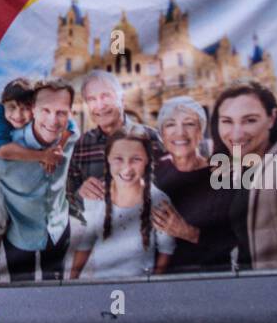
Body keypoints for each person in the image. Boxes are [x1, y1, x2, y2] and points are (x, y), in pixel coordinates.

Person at [0, 78, 78, 283]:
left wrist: (58, 147)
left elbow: (72, 126)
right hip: (19, 234)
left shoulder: (66, 134)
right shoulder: (2, 138)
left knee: (55, 287)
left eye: (25, 108)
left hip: (57, 230)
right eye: (11, 108)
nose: (18, 115)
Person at [69, 127, 175, 280]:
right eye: (118, 159)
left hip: (141, 287)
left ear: (147, 160)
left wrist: (155, 286)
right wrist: (71, 282)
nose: (127, 168)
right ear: (108, 160)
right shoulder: (96, 195)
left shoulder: (159, 201)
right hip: (101, 285)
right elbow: (86, 243)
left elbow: (166, 250)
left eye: (136, 159)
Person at [210, 82, 277, 270]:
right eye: (227, 121)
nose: (237, 134)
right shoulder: (228, 170)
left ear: (272, 118)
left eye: (250, 120)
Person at [150, 96, 235, 271]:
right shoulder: (154, 173)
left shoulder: (222, 175)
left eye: (189, 123)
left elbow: (234, 241)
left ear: (200, 132)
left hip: (207, 277)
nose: (180, 132)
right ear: (162, 134)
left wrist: (188, 232)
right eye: (170, 124)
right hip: (159, 279)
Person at [68, 70, 163, 224]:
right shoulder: (81, 145)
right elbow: (68, 198)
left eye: (105, 96)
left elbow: (169, 189)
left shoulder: (151, 138)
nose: (100, 105)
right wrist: (80, 193)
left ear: (122, 98)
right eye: (92, 99)